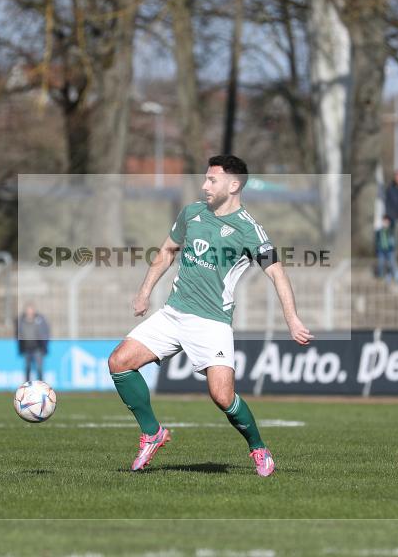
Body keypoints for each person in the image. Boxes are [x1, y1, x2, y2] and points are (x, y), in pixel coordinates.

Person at [107, 155, 312, 477]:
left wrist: (292, 318)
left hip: (211, 322)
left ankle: (258, 447)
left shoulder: (250, 230)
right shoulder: (192, 213)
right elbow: (167, 250)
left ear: (234, 185)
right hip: (173, 313)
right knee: (119, 362)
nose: (204, 185)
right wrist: (145, 291)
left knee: (222, 396)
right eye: (205, 178)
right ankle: (152, 432)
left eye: (212, 180)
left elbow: (277, 273)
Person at [16, 304, 50, 381]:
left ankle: (41, 384)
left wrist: (44, 344)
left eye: (31, 310)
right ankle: (27, 385)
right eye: (28, 310)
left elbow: (45, 332)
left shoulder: (40, 320)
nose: (30, 312)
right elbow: (19, 333)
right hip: (27, 348)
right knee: (27, 368)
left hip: (38, 348)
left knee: (39, 368)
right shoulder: (21, 321)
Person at [375, 215, 398, 285]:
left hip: (390, 250)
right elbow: (376, 241)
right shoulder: (379, 231)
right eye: (384, 222)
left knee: (392, 263)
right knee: (381, 263)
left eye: (387, 222)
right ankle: (381, 276)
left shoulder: (391, 231)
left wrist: (393, 248)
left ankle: (396, 276)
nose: (385, 223)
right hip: (381, 250)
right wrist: (377, 249)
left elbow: (393, 241)